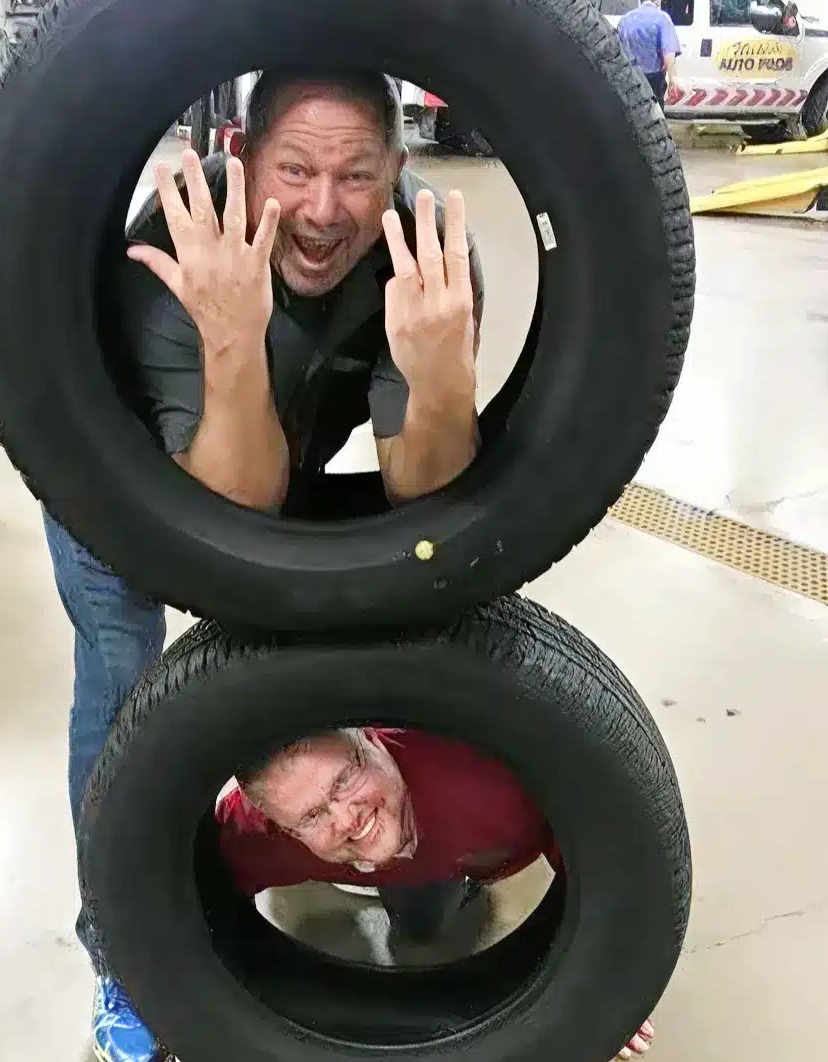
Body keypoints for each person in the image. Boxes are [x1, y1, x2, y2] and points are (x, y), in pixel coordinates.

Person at [41, 68, 485, 1062]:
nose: (325, 210)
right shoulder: (176, 237)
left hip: (271, 465)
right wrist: (232, 337)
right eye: (295, 169)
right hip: (115, 485)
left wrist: (439, 373)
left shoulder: (426, 255)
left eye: (355, 174)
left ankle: (406, 847)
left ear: (397, 170)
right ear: (242, 158)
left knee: (401, 616)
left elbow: (425, 501)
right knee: (124, 689)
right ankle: (125, 959)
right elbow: (224, 514)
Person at [218, 727, 657, 1061]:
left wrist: (608, 984)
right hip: (408, 872)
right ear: (284, 827)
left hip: (472, 849)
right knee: (419, 922)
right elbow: (183, 901)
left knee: (431, 917)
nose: (346, 818)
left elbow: (603, 858)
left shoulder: (487, 772)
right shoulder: (260, 836)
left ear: (370, 737)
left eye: (344, 779)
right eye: (312, 815)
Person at [617, 0, 682, 112]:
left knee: (633, 113)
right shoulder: (662, 18)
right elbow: (668, 53)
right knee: (654, 113)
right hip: (653, 78)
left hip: (629, 77)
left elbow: (617, 51)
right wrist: (672, 80)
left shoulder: (624, 20)